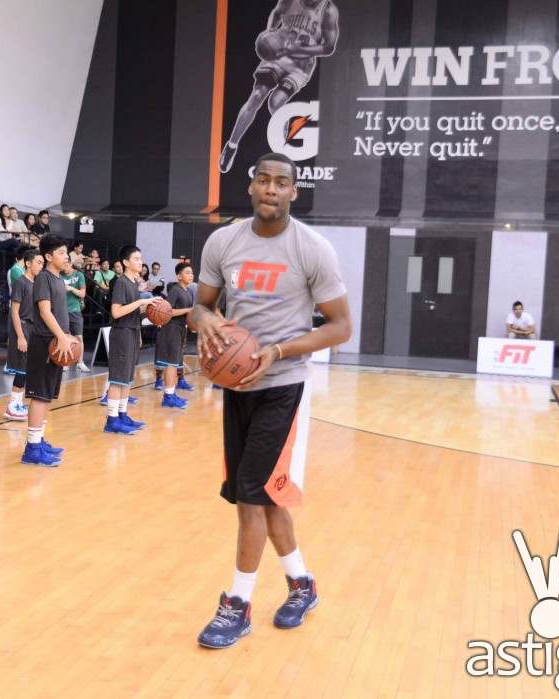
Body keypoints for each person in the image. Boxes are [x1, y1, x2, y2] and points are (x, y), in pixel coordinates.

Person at [191, 152, 349, 649]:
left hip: (282, 386)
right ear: (251, 186)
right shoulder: (223, 241)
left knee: (251, 500)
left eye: (282, 182)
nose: (271, 190)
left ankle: (236, 605)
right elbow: (200, 306)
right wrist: (206, 322)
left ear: (294, 192)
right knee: (262, 495)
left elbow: (341, 327)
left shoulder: (312, 248)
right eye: (264, 180)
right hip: (235, 387)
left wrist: (279, 349)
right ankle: (302, 584)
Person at [218, 0, 340, 173]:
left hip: (301, 66)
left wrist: (299, 51)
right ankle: (231, 145)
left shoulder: (328, 10)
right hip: (278, 57)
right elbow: (276, 13)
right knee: (257, 95)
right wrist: (270, 33)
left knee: (276, 103)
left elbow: (328, 47)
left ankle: (287, 151)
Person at [21, 236, 79, 467]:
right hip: (44, 343)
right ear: (48, 257)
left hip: (56, 342)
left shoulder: (58, 279)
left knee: (46, 397)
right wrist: (61, 336)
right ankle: (32, 448)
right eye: (62, 253)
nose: (67, 257)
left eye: (67, 253)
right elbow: (45, 312)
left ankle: (39, 440)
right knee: (39, 396)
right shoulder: (44, 278)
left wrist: (67, 336)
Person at [101, 247, 154, 435]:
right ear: (125, 262)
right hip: (121, 333)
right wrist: (141, 302)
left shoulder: (133, 283)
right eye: (137, 259)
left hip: (132, 331)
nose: (140, 262)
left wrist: (149, 309)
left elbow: (131, 311)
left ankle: (122, 414)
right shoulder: (122, 282)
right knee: (118, 379)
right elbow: (116, 312)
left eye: (141, 258)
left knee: (127, 378)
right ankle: (111, 419)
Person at [4, 248, 42, 420]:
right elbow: (14, 312)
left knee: (26, 369)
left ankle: (18, 402)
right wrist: (20, 336)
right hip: (23, 327)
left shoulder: (36, 283)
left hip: (32, 328)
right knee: (21, 368)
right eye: (38, 262)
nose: (41, 266)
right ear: (28, 263)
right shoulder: (20, 282)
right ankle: (12, 405)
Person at [156, 262, 195, 409]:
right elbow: (167, 311)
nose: (190, 275)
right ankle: (168, 396)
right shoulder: (175, 290)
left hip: (180, 328)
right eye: (187, 273)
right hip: (171, 329)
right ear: (179, 276)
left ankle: (171, 393)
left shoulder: (189, 291)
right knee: (171, 364)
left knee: (175, 363)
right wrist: (189, 310)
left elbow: (188, 313)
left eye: (191, 273)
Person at [62, 259, 90, 372]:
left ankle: (80, 362)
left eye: (66, 264)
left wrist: (71, 288)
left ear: (70, 264)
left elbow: (83, 293)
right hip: (62, 311)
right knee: (64, 337)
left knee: (79, 337)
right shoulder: (59, 275)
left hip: (75, 310)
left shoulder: (79, 275)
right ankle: (65, 362)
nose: (64, 267)